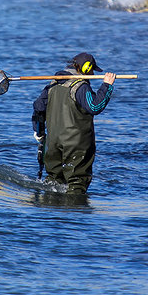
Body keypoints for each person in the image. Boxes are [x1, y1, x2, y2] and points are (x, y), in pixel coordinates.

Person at [32, 52, 116, 194]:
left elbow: (39, 109)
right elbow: (95, 106)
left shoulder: (52, 85)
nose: (93, 75)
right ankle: (76, 214)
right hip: (77, 146)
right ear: (85, 68)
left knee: (52, 182)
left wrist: (39, 132)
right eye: (92, 71)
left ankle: (48, 214)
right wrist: (107, 86)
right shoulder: (81, 87)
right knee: (77, 184)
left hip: (53, 144)